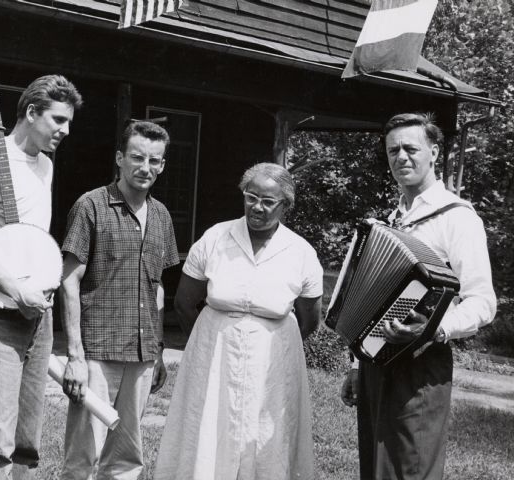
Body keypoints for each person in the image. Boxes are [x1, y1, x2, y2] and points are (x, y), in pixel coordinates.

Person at [340, 113, 497, 480]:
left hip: (421, 363)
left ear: (434, 153)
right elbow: (370, 298)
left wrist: (434, 328)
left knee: (411, 468)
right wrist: (354, 366)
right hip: (375, 362)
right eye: (393, 150)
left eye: (411, 148)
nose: (401, 157)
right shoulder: (394, 218)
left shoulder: (457, 218)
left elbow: (483, 300)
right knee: (377, 468)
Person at [0, 74, 83, 479]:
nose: (66, 130)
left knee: (26, 444)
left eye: (69, 122)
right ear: (30, 112)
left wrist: (34, 290)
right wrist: (13, 287)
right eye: (58, 119)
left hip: (36, 313)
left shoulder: (45, 165)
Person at [154, 162, 323, 480]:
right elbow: (185, 303)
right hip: (215, 355)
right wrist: (212, 340)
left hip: (274, 361)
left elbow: (309, 320)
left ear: (285, 205)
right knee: (209, 428)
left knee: (266, 433)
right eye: (250, 197)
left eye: (268, 201)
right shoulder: (215, 237)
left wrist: (270, 341)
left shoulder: (300, 252)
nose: (257, 207)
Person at [58, 120, 179, 480]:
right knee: (83, 458)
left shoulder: (161, 216)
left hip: (141, 354)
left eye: (154, 161)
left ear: (162, 165)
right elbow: (68, 280)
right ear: (119, 158)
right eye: (138, 157)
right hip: (98, 350)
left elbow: (156, 287)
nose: (146, 168)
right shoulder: (91, 206)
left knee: (127, 460)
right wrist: (75, 357)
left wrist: (157, 352)